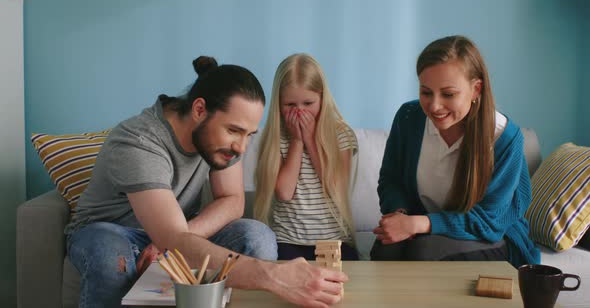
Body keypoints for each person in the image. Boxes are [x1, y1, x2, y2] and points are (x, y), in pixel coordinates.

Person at [65, 56, 348, 308]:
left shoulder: (222, 142)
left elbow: (232, 200)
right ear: (199, 109)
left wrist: (182, 235)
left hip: (178, 230)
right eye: (234, 131)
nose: (241, 148)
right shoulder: (138, 142)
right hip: (113, 232)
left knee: (257, 235)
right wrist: (272, 275)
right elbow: (171, 238)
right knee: (109, 254)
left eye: (249, 134)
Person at [370, 36, 540, 267]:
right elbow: (391, 179)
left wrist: (420, 224)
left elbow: (490, 221)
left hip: (491, 236)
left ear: (476, 89)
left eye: (448, 94)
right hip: (425, 226)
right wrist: (400, 214)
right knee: (385, 249)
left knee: (425, 251)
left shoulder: (504, 138)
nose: (434, 106)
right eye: (426, 92)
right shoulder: (408, 118)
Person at [254, 53, 359, 260]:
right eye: (290, 105)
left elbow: (335, 187)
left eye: (308, 103)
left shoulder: (341, 134)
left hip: (334, 240)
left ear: (322, 98)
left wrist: (311, 140)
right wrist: (297, 141)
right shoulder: (277, 137)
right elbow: (284, 192)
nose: (300, 112)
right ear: (278, 103)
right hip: (287, 239)